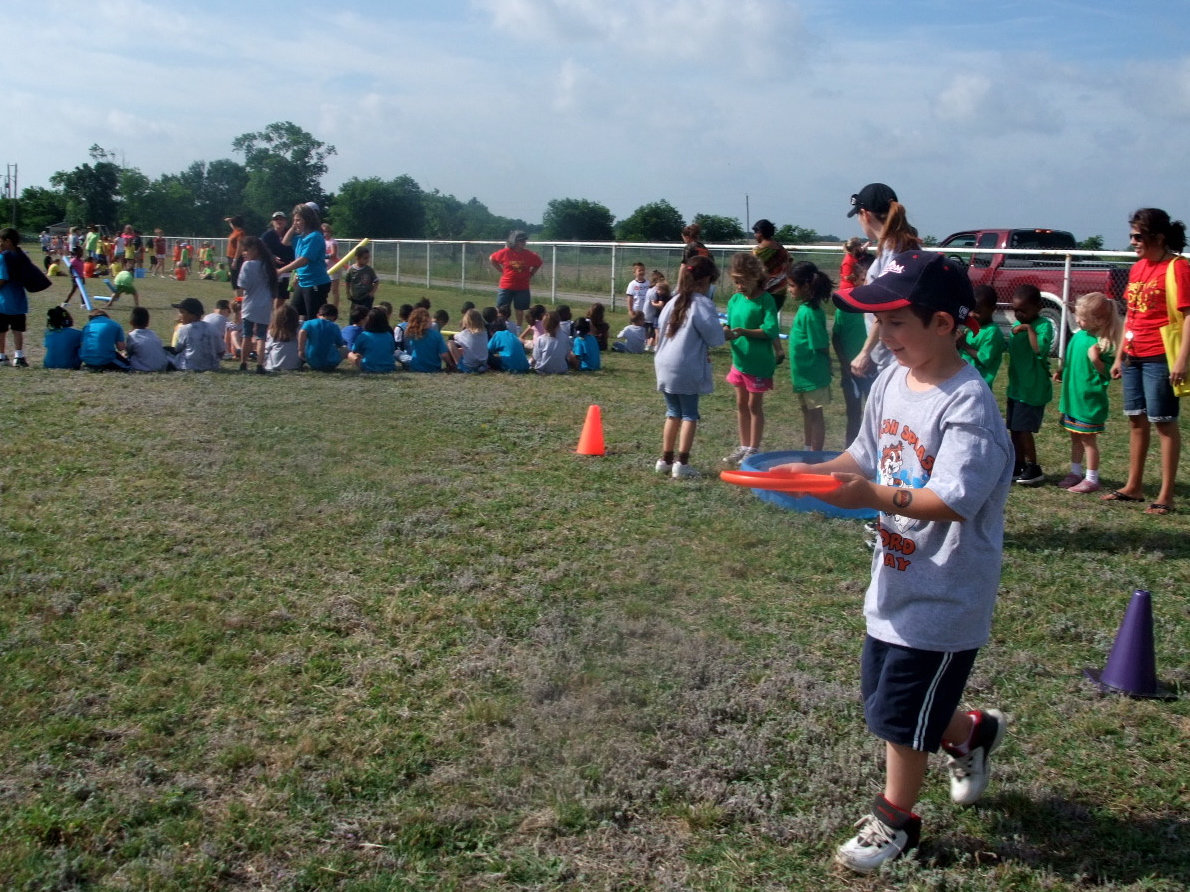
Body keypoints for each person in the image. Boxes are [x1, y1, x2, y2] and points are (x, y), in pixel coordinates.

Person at [781, 250, 1011, 874]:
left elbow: (953, 500)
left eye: (896, 323)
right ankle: (971, 732)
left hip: (944, 596)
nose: (883, 337)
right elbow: (862, 453)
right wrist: (811, 473)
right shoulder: (889, 379)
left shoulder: (967, 406)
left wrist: (870, 498)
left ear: (945, 323)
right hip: (895, 582)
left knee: (900, 720)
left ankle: (896, 822)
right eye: (877, 324)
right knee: (890, 704)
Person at [1101, 208, 1190, 515]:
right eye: (1131, 236)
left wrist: (1181, 359)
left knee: (1164, 422)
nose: (1133, 241)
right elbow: (1131, 314)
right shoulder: (1138, 268)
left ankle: (1165, 495)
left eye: (1138, 236)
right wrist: (1120, 353)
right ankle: (1133, 486)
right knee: (1135, 419)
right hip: (1134, 355)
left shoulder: (1177, 268)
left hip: (1160, 355)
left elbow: (1188, 315)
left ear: (1159, 237)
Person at [653, 254, 726, 478]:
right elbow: (714, 337)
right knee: (689, 415)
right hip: (684, 365)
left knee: (672, 412)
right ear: (705, 281)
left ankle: (665, 460)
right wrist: (727, 333)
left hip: (664, 363)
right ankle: (682, 464)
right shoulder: (702, 303)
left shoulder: (672, 301)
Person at [846, 183, 922, 379]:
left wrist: (865, 352)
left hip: (895, 359)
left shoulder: (893, 253)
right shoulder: (899, 247)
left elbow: (885, 309)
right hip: (896, 353)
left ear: (865, 214)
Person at [1054, 292, 1122, 494]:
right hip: (1073, 398)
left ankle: (1092, 478)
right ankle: (1075, 472)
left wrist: (1096, 359)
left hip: (1088, 401)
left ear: (1098, 320)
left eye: (1082, 319)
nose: (1077, 321)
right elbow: (1070, 360)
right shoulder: (1078, 337)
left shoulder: (1104, 344)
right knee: (1075, 436)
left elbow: (1107, 375)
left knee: (1088, 439)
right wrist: (1062, 371)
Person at [722, 252, 779, 466]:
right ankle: (744, 445)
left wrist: (743, 332)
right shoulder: (735, 299)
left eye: (743, 281)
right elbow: (728, 322)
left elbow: (770, 329)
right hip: (739, 362)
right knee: (741, 404)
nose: (739, 286)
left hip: (758, 364)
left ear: (756, 276)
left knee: (754, 405)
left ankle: (754, 448)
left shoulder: (766, 300)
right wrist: (727, 330)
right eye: (736, 281)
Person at [1005, 284, 1053, 485]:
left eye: (1024, 310)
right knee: (1014, 429)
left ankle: (1034, 466)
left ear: (1038, 307)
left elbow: (1038, 349)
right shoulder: (1016, 328)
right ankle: (1018, 464)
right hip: (1016, 388)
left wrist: (1028, 329)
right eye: (1016, 310)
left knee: (1024, 429)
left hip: (1031, 390)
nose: (1019, 314)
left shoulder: (1043, 325)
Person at [787, 261, 833, 452]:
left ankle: (816, 454)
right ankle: (807, 449)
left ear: (805, 286)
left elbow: (821, 345)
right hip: (803, 374)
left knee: (815, 415)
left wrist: (829, 363)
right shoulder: (804, 309)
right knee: (806, 412)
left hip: (814, 374)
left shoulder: (812, 313)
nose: (789, 290)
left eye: (792, 285)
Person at [835, 239, 875, 443]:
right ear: (857, 279)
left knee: (874, 415)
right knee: (853, 412)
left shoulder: (880, 310)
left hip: (873, 370)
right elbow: (837, 337)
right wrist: (844, 364)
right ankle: (850, 451)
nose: (868, 283)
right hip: (850, 369)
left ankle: (873, 455)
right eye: (864, 278)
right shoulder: (846, 307)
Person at [278, 203, 331, 321]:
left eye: (298, 220)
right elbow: (285, 242)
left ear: (307, 220)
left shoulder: (315, 237)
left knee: (312, 318)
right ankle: (299, 338)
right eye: (294, 220)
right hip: (303, 282)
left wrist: (281, 271)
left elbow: (304, 260)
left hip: (315, 283)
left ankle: (313, 338)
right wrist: (293, 227)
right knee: (292, 315)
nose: (295, 222)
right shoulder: (301, 237)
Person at [237, 236, 277, 372]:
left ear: (254, 250)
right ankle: (260, 364)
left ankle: (243, 363)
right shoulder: (268, 265)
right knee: (261, 337)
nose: (244, 252)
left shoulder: (247, 265)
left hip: (250, 304)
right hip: (265, 304)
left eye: (246, 250)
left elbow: (243, 285)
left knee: (246, 336)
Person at [490, 230, 543, 327]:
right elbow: (492, 259)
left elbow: (539, 263)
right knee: (502, 309)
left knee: (520, 309)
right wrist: (501, 270)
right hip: (506, 285)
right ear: (514, 241)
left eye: (524, 241)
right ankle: (501, 326)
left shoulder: (529, 254)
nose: (523, 243)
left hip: (522, 287)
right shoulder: (505, 252)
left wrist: (531, 274)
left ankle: (518, 328)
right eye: (521, 241)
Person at [959, 285, 1006, 388]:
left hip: (980, 385)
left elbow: (984, 359)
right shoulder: (972, 327)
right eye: (970, 310)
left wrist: (964, 345)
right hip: (965, 382)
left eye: (978, 311)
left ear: (993, 309)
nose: (972, 314)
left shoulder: (992, 332)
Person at [0, 227, 31, 366]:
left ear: (8, 241)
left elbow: (2, 278)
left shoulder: (3, 257)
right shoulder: (22, 256)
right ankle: (19, 356)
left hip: (4, 302)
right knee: (17, 330)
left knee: (1, 331)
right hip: (19, 301)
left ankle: (1, 356)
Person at [751, 219, 792, 313]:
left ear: (760, 232)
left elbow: (751, 273)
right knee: (770, 321)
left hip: (761, 293)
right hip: (780, 294)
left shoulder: (758, 252)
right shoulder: (783, 250)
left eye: (755, 232)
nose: (754, 235)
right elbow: (789, 265)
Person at [171, 297, 222, 371]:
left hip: (189, 367)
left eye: (182, 312)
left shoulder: (184, 329)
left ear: (192, 315)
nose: (180, 315)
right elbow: (221, 351)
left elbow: (177, 349)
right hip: (213, 366)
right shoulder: (212, 328)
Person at [348, 307, 397, 373]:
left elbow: (354, 350)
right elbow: (392, 350)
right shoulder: (388, 335)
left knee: (350, 354)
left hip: (369, 367)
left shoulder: (364, 335)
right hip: (389, 367)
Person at [299, 303, 347, 371]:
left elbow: (302, 332)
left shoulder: (309, 323)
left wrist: (300, 350)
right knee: (345, 349)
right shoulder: (334, 326)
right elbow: (340, 344)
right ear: (335, 317)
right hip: (330, 362)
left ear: (318, 315)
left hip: (311, 360)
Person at [404, 306, 451, 372]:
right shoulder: (437, 335)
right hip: (434, 368)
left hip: (415, 367)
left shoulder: (411, 334)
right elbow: (444, 355)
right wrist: (450, 364)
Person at [125, 306, 171, 372]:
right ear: (147, 323)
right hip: (162, 366)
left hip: (144, 368)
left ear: (131, 322)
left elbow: (129, 352)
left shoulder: (132, 336)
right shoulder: (153, 333)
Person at [261, 211, 295, 300]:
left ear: (286, 221)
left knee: (282, 298)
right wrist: (272, 257)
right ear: (272, 222)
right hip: (272, 269)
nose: (279, 221)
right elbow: (262, 251)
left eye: (281, 219)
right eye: (276, 219)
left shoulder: (291, 234)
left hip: (287, 269)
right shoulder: (267, 236)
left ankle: (277, 314)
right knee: (270, 297)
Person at [449, 308, 489, 373]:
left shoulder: (465, 334)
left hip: (469, 367)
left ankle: (458, 366)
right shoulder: (485, 333)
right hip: (483, 364)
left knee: (450, 343)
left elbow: (454, 337)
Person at [264, 304, 302, 372]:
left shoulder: (272, 333)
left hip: (272, 366)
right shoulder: (299, 329)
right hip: (294, 366)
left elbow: (266, 350)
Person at [345, 246, 379, 312]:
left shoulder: (369, 270)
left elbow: (376, 281)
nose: (367, 260)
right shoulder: (351, 270)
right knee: (354, 316)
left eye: (368, 258)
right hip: (355, 298)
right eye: (365, 258)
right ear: (357, 257)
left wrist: (372, 293)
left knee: (366, 316)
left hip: (367, 298)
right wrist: (348, 293)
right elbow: (347, 282)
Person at [225, 215, 246, 296]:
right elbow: (232, 225)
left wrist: (235, 260)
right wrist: (230, 220)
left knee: (236, 280)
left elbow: (239, 248)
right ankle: (237, 298)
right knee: (233, 280)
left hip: (236, 258)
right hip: (231, 257)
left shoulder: (240, 233)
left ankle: (239, 298)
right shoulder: (235, 231)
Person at [322, 222, 341, 305]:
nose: (325, 233)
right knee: (324, 289)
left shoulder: (333, 242)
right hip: (324, 268)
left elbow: (333, 254)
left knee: (334, 290)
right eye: (323, 231)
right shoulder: (322, 241)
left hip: (334, 268)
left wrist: (323, 256)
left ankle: (335, 307)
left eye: (326, 231)